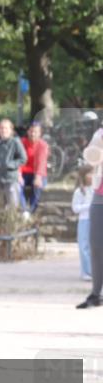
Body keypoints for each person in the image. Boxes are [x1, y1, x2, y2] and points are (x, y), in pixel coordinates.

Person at [77, 126, 103, 309]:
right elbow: (92, 158)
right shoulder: (100, 134)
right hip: (100, 194)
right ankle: (96, 294)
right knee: (95, 244)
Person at [0, 118, 27, 212]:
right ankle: (0, 226)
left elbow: (23, 158)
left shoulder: (15, 142)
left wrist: (9, 165)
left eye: (6, 128)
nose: (3, 130)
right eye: (1, 128)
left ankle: (11, 226)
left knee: (12, 207)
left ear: (10, 130)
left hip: (11, 178)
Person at [19, 122, 49, 218]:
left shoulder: (43, 145)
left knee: (38, 186)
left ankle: (31, 211)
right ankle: (23, 210)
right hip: (23, 172)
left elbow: (42, 161)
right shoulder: (21, 142)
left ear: (40, 133)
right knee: (16, 184)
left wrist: (38, 177)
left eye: (35, 132)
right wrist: (18, 174)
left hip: (38, 173)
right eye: (31, 131)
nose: (33, 134)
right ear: (28, 132)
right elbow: (17, 159)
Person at [73, 166, 94, 282]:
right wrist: (88, 206)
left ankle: (94, 270)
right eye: (89, 174)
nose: (91, 176)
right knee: (84, 246)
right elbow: (75, 208)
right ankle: (86, 272)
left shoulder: (95, 189)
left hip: (95, 220)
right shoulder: (80, 191)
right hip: (84, 220)